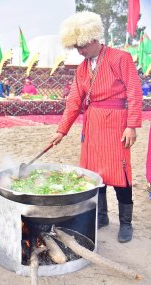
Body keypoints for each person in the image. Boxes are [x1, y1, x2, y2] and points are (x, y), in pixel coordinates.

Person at [50, 11, 142, 243]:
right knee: (95, 174)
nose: (79, 51)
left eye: (81, 46)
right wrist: (61, 130)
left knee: (121, 174)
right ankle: (101, 217)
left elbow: (134, 91)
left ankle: (126, 224)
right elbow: (73, 101)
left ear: (93, 39)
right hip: (92, 126)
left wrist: (131, 125)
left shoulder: (120, 57)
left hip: (116, 123)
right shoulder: (81, 69)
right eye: (75, 47)